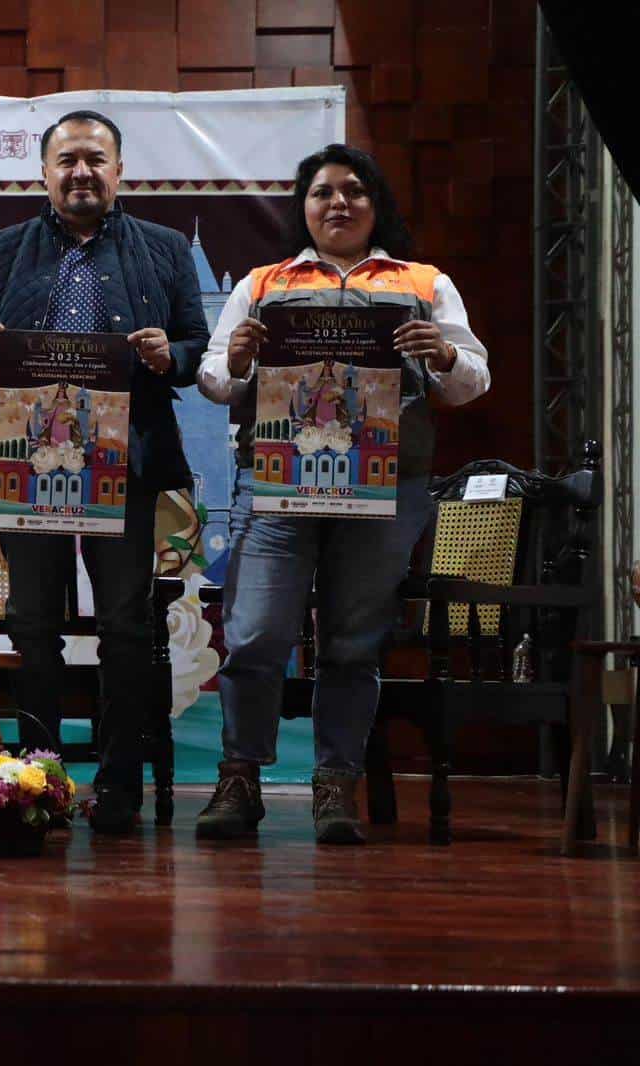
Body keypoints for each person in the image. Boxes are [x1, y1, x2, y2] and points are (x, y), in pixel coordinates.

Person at [195, 143, 490, 845]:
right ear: (304, 208)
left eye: (353, 190)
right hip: (275, 488)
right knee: (255, 636)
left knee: (353, 645)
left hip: (385, 492)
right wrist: (234, 361)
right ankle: (240, 780)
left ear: (375, 204)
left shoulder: (424, 283)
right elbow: (214, 378)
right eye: (323, 191)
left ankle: (336, 787)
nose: (338, 203)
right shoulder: (266, 283)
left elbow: (472, 379)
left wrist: (445, 354)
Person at [0, 109, 210, 834]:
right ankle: (39, 777)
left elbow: (199, 343)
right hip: (29, 464)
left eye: (95, 159)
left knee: (126, 626)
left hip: (126, 465)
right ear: (45, 173)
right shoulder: (5, 250)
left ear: (119, 171)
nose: (81, 173)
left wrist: (171, 355)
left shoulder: (161, 249)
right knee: (32, 625)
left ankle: (119, 782)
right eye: (67, 161)